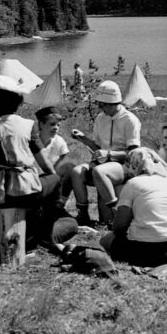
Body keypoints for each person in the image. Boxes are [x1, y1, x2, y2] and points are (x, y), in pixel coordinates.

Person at [0, 69, 63, 243]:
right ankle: (45, 234)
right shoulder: (27, 125)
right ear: (16, 102)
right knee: (55, 180)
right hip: (19, 192)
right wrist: (51, 175)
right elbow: (45, 164)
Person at [99, 148, 167, 267]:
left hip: (148, 252)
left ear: (133, 165)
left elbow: (119, 227)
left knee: (106, 240)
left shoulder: (133, 184)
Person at [68, 80, 141, 226]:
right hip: (104, 164)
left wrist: (108, 154)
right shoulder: (101, 119)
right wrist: (83, 138)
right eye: (99, 104)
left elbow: (133, 153)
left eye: (103, 104)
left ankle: (114, 211)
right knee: (76, 172)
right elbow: (98, 148)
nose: (100, 108)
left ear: (113, 103)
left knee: (99, 172)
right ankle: (83, 214)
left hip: (123, 165)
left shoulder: (130, 120)